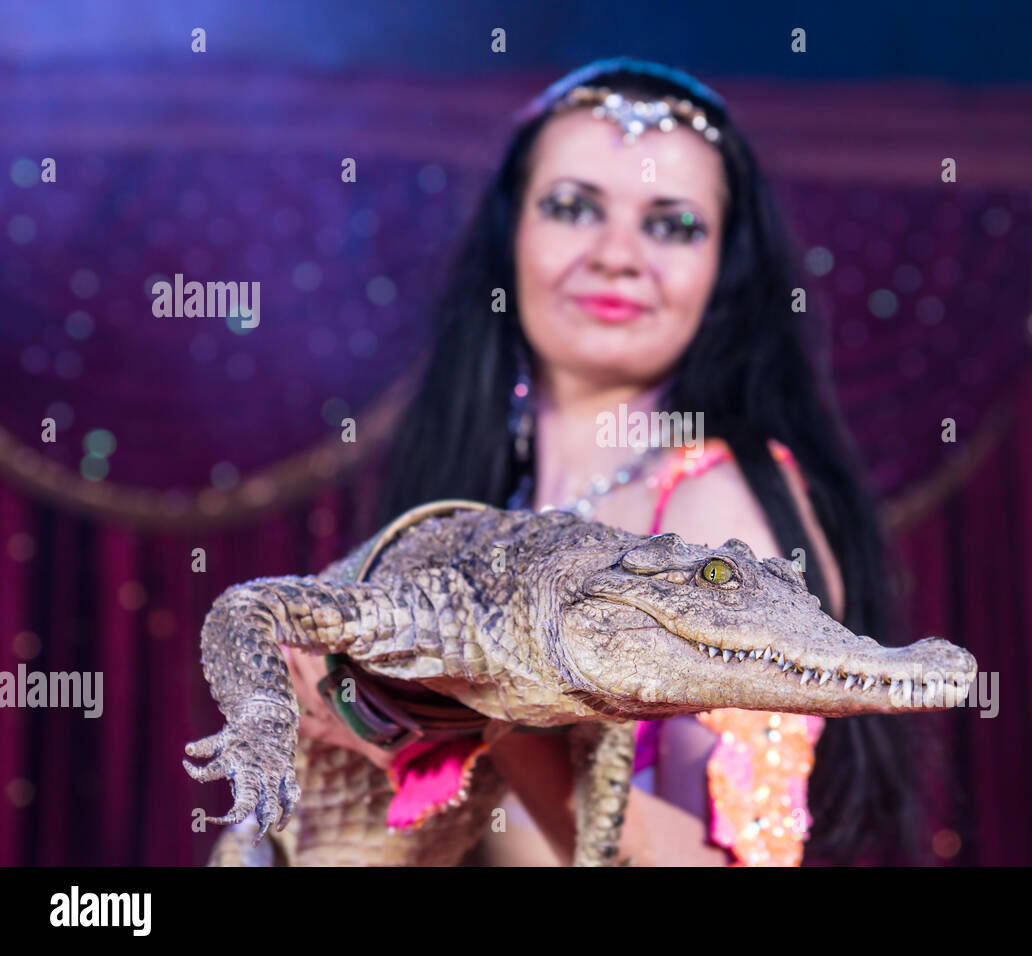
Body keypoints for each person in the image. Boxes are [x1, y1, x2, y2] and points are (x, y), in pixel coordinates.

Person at [285, 57, 931, 866]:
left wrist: (489, 700)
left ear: (723, 270)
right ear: (509, 236)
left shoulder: (717, 511)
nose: (618, 254)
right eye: (572, 207)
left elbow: (728, 866)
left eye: (672, 224)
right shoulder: (481, 495)